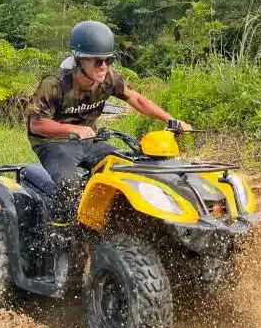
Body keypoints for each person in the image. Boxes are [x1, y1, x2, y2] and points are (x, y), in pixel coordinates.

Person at [25, 20, 192, 229]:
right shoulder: (55, 83)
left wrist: (171, 120)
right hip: (53, 143)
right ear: (79, 59)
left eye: (109, 60)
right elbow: (37, 125)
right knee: (68, 183)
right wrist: (74, 129)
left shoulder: (108, 78)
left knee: (127, 168)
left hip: (90, 140)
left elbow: (137, 99)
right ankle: (58, 232)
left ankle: (109, 224)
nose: (104, 66)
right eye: (97, 61)